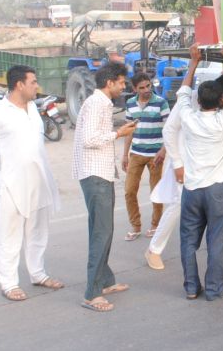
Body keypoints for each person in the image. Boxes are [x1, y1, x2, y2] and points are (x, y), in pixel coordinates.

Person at [144, 73, 223, 270]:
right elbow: (169, 131)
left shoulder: (216, 106)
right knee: (178, 206)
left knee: (222, 206)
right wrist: (177, 164)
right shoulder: (188, 100)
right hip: (184, 166)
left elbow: (222, 128)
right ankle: (153, 250)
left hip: (205, 168)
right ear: (220, 95)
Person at [0, 65, 63, 302]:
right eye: (33, 82)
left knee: (38, 232)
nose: (37, 86)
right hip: (10, 185)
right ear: (19, 85)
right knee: (9, 235)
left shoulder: (34, 109)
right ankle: (9, 283)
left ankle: (38, 273)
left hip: (39, 181)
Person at [173, 44, 223, 300]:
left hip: (191, 190)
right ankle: (215, 288)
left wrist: (193, 62)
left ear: (199, 100)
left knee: (188, 241)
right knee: (215, 242)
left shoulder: (188, 116)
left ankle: (191, 288)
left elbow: (183, 92)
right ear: (220, 100)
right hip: (216, 190)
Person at [72, 62, 137, 312]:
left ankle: (105, 280)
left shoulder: (100, 103)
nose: (124, 86)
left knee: (104, 231)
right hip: (95, 175)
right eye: (121, 82)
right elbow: (90, 140)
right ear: (109, 83)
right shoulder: (97, 103)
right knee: (101, 232)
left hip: (99, 174)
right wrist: (118, 133)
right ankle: (91, 293)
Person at [122, 72, 168, 241]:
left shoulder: (161, 103)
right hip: (136, 154)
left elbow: (169, 130)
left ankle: (156, 225)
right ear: (134, 89)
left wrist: (163, 151)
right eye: (142, 87)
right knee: (129, 191)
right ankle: (135, 226)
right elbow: (129, 131)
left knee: (156, 191)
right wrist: (125, 155)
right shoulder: (130, 104)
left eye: (148, 85)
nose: (146, 90)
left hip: (155, 156)